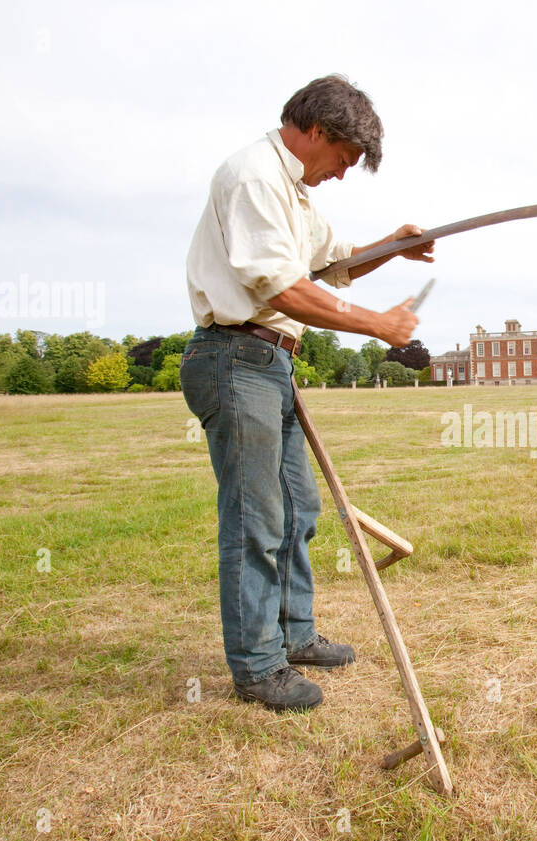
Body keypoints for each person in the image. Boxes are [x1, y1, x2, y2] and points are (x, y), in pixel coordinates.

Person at [181, 75, 432, 713]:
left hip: (272, 364)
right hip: (235, 357)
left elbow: (333, 259)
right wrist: (378, 324)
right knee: (256, 518)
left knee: (298, 511)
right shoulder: (254, 178)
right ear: (317, 132)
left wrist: (394, 247)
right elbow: (283, 289)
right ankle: (259, 667)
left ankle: (294, 636)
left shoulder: (293, 192)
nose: (343, 176)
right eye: (344, 161)